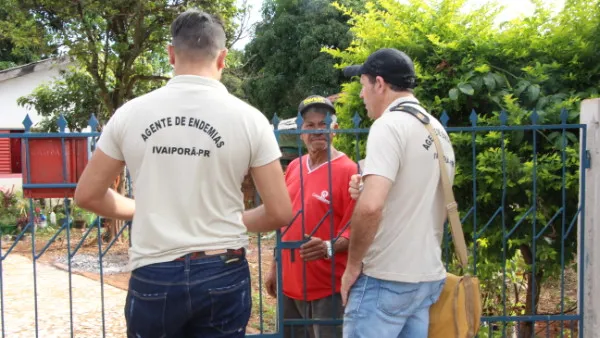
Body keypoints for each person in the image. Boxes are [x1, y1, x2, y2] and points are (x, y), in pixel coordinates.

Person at [74, 9, 293, 338]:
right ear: (223, 59)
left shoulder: (130, 114)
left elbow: (88, 194)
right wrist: (225, 222)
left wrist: (140, 209)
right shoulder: (250, 120)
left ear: (171, 54)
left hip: (154, 270)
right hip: (223, 267)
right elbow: (280, 211)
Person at [339, 48, 456, 337]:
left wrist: (352, 266)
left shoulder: (388, 126)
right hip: (425, 278)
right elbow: (432, 206)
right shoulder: (436, 130)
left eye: (363, 85)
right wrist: (367, 189)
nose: (362, 94)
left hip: (385, 279)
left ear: (379, 84)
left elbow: (370, 208)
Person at [264, 95, 358, 338]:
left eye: (323, 124)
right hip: (290, 286)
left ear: (334, 129)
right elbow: (283, 222)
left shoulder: (349, 171)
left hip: (328, 290)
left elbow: (356, 231)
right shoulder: (294, 166)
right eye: (310, 125)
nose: (318, 131)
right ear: (300, 130)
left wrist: (329, 247)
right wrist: (275, 266)